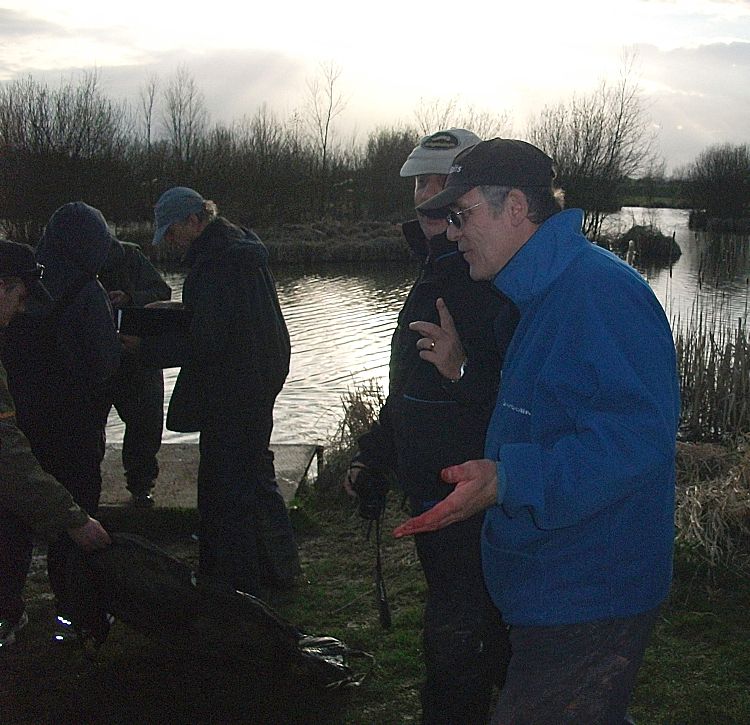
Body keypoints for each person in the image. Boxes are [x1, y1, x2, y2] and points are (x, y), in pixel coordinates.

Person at [394, 138, 681, 724]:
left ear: (516, 208)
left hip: (589, 588)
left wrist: (507, 478)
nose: (451, 232)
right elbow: (551, 411)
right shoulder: (540, 294)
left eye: (462, 214)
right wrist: (467, 373)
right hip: (554, 579)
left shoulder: (596, 294)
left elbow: (637, 439)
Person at [347, 130, 517, 724]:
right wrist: (375, 455)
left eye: (442, 184)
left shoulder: (491, 279)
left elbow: (522, 399)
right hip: (432, 491)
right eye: (420, 183)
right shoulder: (436, 272)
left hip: (476, 495)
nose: (428, 198)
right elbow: (414, 391)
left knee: (464, 643)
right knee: (460, 628)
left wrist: (463, 367)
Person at [129, 187, 299, 598]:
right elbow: (223, 320)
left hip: (235, 388)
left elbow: (209, 340)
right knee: (255, 474)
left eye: (171, 231)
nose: (169, 242)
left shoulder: (217, 264)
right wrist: (169, 314)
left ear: (194, 220)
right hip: (259, 377)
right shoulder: (239, 248)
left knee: (225, 488)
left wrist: (144, 348)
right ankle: (278, 571)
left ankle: (232, 583)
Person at [1, 202, 122, 639]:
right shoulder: (87, 291)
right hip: (73, 427)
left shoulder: (23, 277)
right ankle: (75, 615)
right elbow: (104, 365)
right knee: (75, 522)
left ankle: (8, 614)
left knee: (11, 520)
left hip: (16, 421)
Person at [99, 240, 172, 508]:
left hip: (136, 357)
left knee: (145, 424)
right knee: (88, 425)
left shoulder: (129, 255)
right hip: (95, 358)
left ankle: (141, 487)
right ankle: (83, 483)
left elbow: (162, 291)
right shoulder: (68, 262)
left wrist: (130, 298)